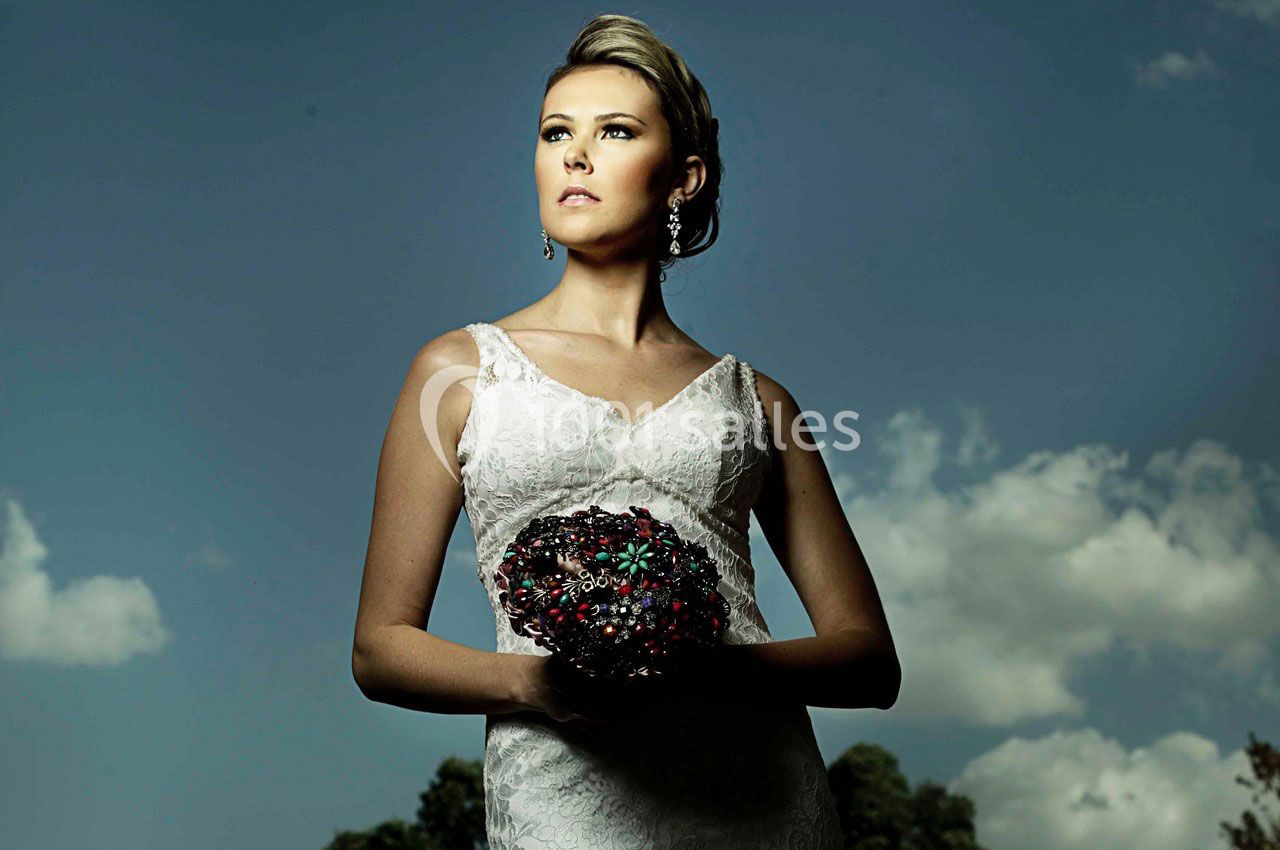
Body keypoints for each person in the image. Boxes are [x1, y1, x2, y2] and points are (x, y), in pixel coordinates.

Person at [351, 13, 900, 848]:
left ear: (683, 178)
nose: (575, 154)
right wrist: (536, 684)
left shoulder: (759, 402)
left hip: (760, 799)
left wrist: (710, 670)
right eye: (554, 132)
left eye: (615, 130)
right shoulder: (459, 371)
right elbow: (380, 649)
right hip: (566, 802)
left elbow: (869, 660)